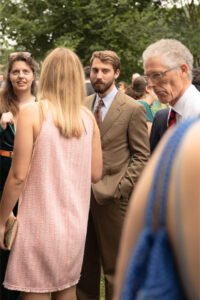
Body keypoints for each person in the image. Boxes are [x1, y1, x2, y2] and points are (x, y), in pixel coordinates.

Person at [0, 47, 102, 300]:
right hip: (75, 226)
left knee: (36, 292)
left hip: (39, 224)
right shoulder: (88, 119)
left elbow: (18, 176)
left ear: (45, 75)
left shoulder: (33, 112)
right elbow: (96, 174)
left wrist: (1, 219)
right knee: (67, 290)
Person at [77, 50, 150, 300]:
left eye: (105, 71)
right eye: (95, 70)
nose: (98, 76)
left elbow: (142, 156)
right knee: (84, 268)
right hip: (80, 198)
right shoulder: (83, 105)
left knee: (115, 268)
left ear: (116, 73)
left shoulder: (132, 109)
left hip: (114, 199)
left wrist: (121, 188)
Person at [113, 116, 200, 300]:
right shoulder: (175, 143)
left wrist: (123, 186)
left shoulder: (177, 144)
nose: (153, 85)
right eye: (152, 83)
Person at [0, 51, 38, 300]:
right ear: (8, 76)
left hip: (32, 178)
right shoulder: (1, 103)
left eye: (25, 71)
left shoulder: (43, 105)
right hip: (2, 176)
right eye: (16, 72)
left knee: (24, 243)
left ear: (33, 75)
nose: (20, 76)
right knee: (3, 239)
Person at [142, 38, 200, 153]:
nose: (151, 84)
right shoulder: (163, 118)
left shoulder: (196, 113)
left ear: (183, 70)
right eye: (148, 77)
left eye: (157, 75)